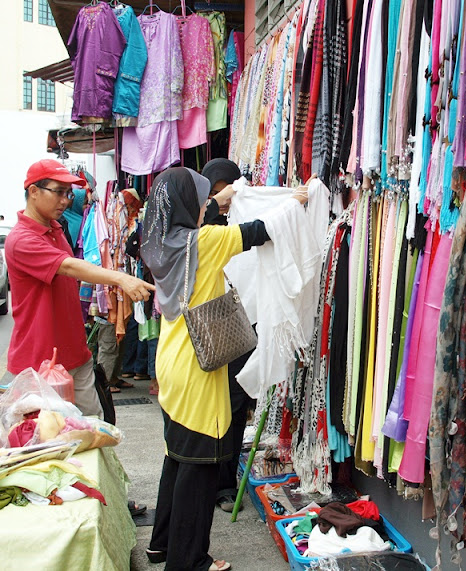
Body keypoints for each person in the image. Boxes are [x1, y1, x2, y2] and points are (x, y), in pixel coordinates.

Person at [141, 166, 309, 571]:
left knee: (177, 457)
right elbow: (258, 231)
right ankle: (188, 561)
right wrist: (294, 202)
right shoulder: (206, 242)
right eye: (199, 201)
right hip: (198, 368)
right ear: (188, 206)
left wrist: (223, 197)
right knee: (199, 469)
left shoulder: (159, 241)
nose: (205, 207)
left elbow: (209, 213)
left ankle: (161, 544)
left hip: (172, 359)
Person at [4, 159, 155, 415]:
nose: (65, 200)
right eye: (59, 192)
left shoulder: (55, 228)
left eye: (68, 193)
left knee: (93, 428)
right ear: (34, 191)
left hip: (76, 354)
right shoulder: (21, 239)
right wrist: (121, 278)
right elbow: (69, 266)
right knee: (49, 434)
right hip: (40, 363)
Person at [201, 158, 256, 513]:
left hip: (240, 318)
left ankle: (224, 483)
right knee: (209, 402)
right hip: (208, 320)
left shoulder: (242, 218)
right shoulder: (199, 225)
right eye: (215, 193)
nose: (222, 199)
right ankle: (207, 476)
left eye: (227, 191)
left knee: (235, 404)